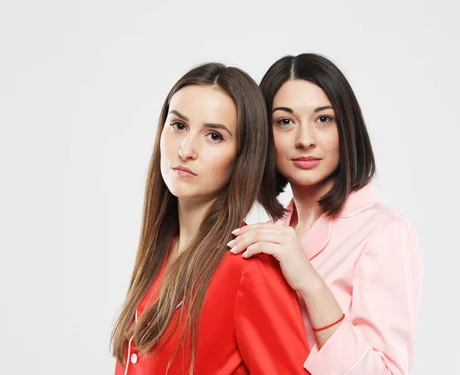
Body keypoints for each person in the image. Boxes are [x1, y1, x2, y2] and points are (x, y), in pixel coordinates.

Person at [229, 53, 423, 375]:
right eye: (285, 121)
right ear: (264, 134)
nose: (305, 140)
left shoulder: (384, 233)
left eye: (323, 119)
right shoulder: (264, 234)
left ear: (346, 128)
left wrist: (310, 283)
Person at [110, 62, 310, 374]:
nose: (186, 149)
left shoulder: (249, 269)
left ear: (243, 156)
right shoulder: (161, 253)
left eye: (214, 136)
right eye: (178, 126)